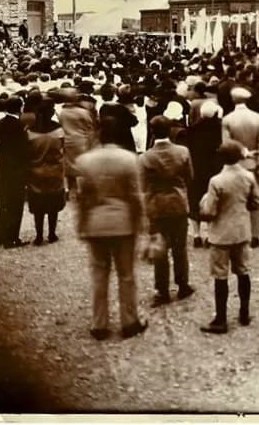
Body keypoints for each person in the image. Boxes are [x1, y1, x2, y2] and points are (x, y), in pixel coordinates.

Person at [75, 117, 148, 340]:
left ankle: (99, 324)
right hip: (123, 223)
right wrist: (142, 224)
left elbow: (82, 198)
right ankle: (129, 321)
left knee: (99, 273)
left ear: (99, 134)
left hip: (96, 223)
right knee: (126, 275)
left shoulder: (84, 161)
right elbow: (135, 196)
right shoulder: (129, 159)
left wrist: (82, 223)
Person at [199, 141, 259, 335]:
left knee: (220, 275)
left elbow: (209, 211)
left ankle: (221, 319)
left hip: (221, 235)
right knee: (243, 271)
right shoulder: (248, 176)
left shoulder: (216, 181)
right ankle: (244, 312)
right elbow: (255, 203)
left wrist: (203, 205)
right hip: (241, 232)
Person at [139, 116, 195, 306]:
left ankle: (162, 290)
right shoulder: (182, 151)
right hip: (178, 202)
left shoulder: (145, 157)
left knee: (160, 249)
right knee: (180, 248)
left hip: (157, 205)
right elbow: (190, 176)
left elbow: (142, 184)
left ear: (152, 132)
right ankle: (183, 284)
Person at [221, 87, 259, 247]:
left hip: (235, 164)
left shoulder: (227, 119)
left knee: (234, 201)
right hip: (253, 164)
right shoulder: (258, 118)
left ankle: (238, 233)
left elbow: (227, 145)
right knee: (254, 200)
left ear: (233, 100)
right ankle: (256, 234)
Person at [26, 99, 66, 245]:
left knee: (38, 207)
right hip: (54, 171)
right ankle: (52, 234)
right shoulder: (59, 130)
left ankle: (38, 236)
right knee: (53, 206)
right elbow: (63, 148)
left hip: (35, 172)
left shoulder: (29, 131)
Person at [0, 96, 29, 248]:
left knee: (3, 203)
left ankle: (0, 236)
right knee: (15, 205)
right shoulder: (20, 126)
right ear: (19, 107)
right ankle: (12, 237)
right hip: (16, 170)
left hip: (2, 167)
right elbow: (23, 150)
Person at [187, 100, 223, 248]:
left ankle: (196, 234)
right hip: (213, 170)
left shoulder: (192, 130)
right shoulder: (219, 130)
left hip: (196, 170)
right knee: (211, 200)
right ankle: (209, 234)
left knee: (194, 200)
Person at [58, 89, 97, 197]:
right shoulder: (83, 112)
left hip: (67, 140)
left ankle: (66, 188)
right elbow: (90, 128)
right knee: (81, 165)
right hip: (81, 140)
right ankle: (80, 190)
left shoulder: (62, 112)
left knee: (66, 165)